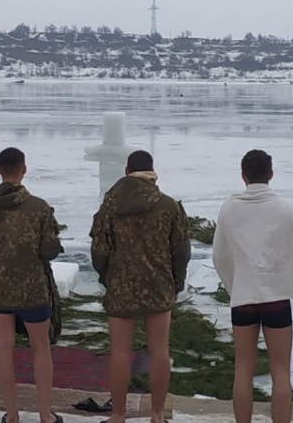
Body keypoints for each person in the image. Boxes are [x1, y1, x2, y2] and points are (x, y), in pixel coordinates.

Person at [212, 149, 293, 423]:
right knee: (281, 371)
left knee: (242, 369)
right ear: (271, 174)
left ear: (243, 175)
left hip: (244, 299)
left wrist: (234, 285)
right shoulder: (285, 208)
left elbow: (219, 255)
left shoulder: (229, 208)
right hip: (276, 300)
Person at [90, 150, 191, 423]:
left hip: (121, 286)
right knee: (159, 350)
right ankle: (157, 415)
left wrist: (107, 279)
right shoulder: (169, 206)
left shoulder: (109, 205)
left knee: (120, 352)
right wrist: (176, 282)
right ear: (153, 173)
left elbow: (98, 251)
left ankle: (118, 415)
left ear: (126, 171)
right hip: (159, 285)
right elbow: (181, 251)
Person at [0, 147, 64, 423]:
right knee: (41, 349)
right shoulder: (39, 208)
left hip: (0, 290)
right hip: (34, 289)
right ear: (24, 169)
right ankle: (45, 415)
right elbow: (49, 249)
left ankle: (11, 415)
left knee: (4, 349)